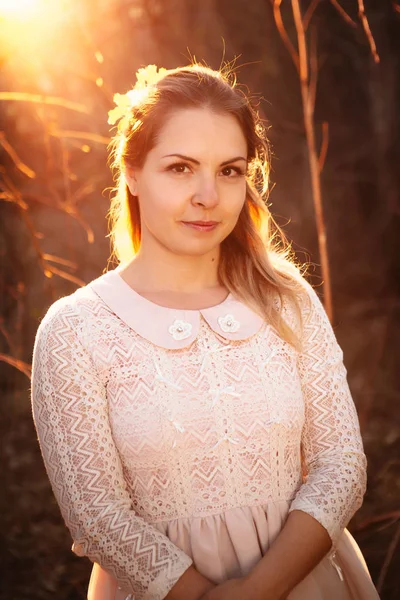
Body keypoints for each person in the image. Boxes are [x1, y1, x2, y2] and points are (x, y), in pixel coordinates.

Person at [31, 63, 380, 600]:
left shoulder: (286, 299)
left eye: (229, 170)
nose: (208, 196)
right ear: (131, 170)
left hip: (306, 581)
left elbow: (342, 468)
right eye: (179, 168)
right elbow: (97, 516)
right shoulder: (77, 330)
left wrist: (260, 590)